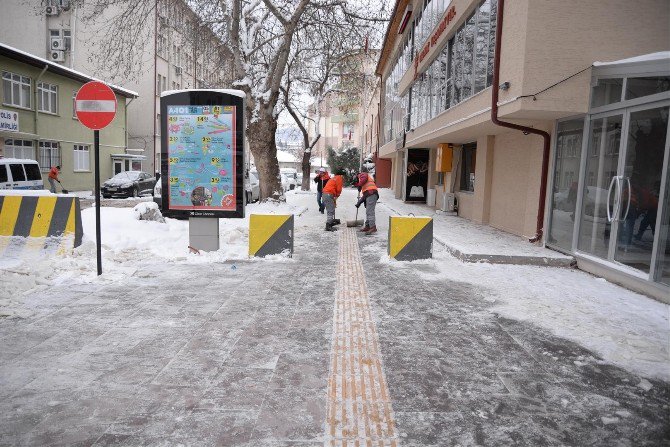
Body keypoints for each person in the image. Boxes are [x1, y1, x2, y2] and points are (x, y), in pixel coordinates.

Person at [354, 166, 379, 234]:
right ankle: (368, 226)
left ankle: (373, 227)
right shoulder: (363, 179)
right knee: (368, 211)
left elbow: (363, 179)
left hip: (371, 193)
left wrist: (359, 185)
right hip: (369, 194)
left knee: (370, 211)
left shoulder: (362, 174)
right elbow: (364, 195)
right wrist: (359, 203)